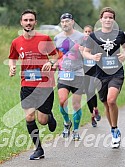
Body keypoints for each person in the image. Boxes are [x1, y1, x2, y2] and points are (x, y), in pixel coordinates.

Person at [8, 9, 58, 160]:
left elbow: (55, 56)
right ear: (21, 22)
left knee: (42, 120)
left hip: (44, 84)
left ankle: (49, 117)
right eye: (26, 20)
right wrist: (12, 66)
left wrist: (50, 62)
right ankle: (39, 149)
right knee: (29, 117)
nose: (28, 23)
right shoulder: (16, 42)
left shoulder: (44, 38)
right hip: (27, 84)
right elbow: (12, 57)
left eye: (31, 20)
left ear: (35, 22)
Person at [83, 7, 125, 148]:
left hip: (116, 73)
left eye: (111, 17)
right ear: (101, 19)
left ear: (113, 20)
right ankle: (113, 129)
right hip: (100, 75)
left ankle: (115, 131)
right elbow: (85, 52)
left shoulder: (120, 34)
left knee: (111, 100)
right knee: (105, 104)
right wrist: (92, 56)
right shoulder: (94, 36)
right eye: (106, 17)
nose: (108, 19)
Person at [54, 13, 85, 141]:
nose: (65, 24)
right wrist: (54, 63)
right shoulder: (57, 38)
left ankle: (76, 130)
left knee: (76, 105)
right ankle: (67, 122)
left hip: (78, 74)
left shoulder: (81, 36)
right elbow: (56, 55)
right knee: (62, 101)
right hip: (63, 74)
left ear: (72, 22)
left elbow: (86, 53)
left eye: (67, 21)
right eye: (63, 22)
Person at [82, 25, 101, 127]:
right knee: (88, 94)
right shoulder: (80, 44)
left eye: (90, 31)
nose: (88, 33)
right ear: (83, 33)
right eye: (86, 31)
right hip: (85, 72)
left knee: (90, 90)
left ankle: (96, 108)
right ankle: (92, 115)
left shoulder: (95, 43)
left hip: (95, 71)